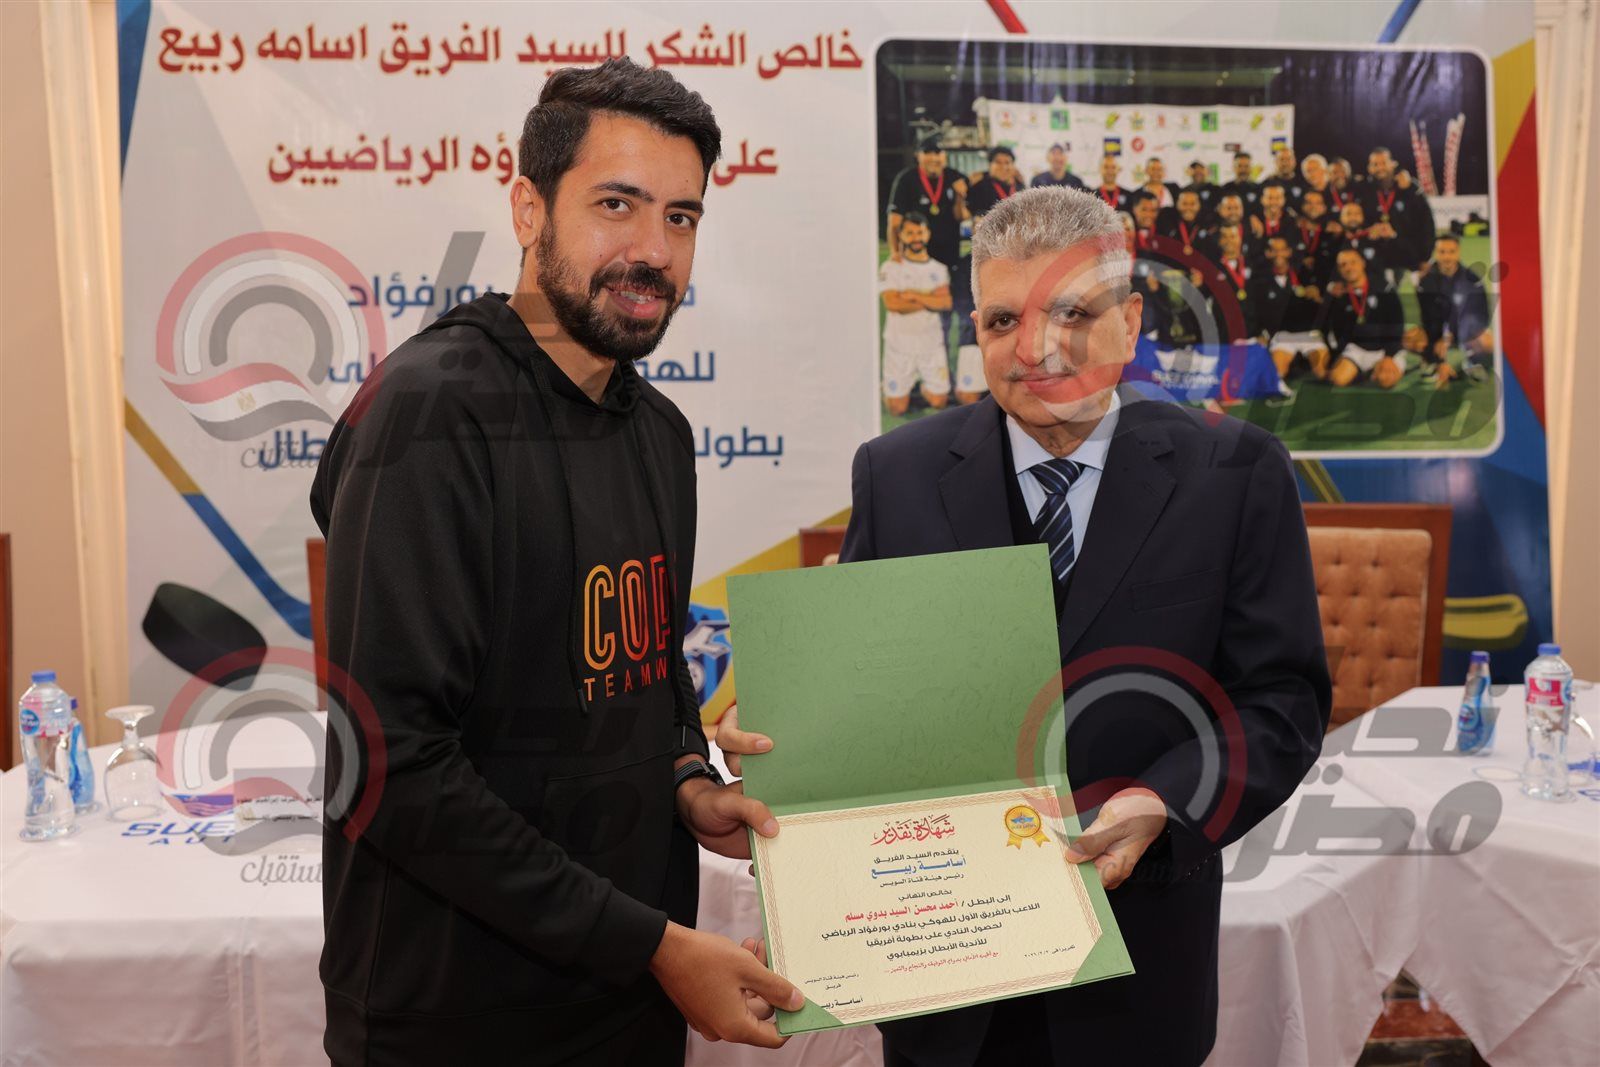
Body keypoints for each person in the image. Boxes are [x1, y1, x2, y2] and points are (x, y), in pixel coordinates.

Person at [310, 59, 804, 1066]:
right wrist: (655, 945)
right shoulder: (429, 416)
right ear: (528, 208)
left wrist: (686, 776)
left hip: (628, 1001)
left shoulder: (658, 433)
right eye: (616, 205)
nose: (652, 250)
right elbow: (392, 767)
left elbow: (648, 674)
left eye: (680, 217)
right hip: (457, 1021)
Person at [833, 185, 1330, 1066]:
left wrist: (1165, 801)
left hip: (1137, 969)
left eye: (1072, 312)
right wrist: (795, 731)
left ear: (1130, 323)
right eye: (1003, 320)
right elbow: (867, 700)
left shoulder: (1236, 473)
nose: (1037, 349)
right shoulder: (895, 475)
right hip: (945, 977)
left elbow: (1280, 701)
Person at [880, 213, 955, 413]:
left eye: (920, 233)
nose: (916, 238)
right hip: (899, 344)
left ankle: (917, 385)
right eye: (910, 233)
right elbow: (893, 304)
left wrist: (913, 295)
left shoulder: (939, 269)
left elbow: (945, 303)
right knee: (896, 408)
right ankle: (895, 387)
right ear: (901, 236)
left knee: (939, 401)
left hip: (930, 343)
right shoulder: (891, 267)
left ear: (927, 234)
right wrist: (931, 299)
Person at [1406, 233, 1494, 385]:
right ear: (1435, 253)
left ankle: (1470, 361)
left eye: (1451, 252)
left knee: (1488, 342)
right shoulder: (1425, 281)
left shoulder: (1472, 279)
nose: (1447, 257)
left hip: (1464, 331)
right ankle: (1434, 361)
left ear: (1458, 252)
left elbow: (1480, 316)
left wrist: (1449, 335)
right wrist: (1439, 338)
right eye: (1442, 252)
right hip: (1437, 332)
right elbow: (1428, 317)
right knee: (1411, 338)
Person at [1324, 246, 1407, 388]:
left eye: (1353, 262)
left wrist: (1389, 355)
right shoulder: (1339, 295)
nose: (1349, 268)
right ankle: (1367, 372)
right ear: (1339, 270)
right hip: (1358, 349)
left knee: (1386, 381)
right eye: (1343, 265)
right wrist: (1341, 354)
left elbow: (1397, 325)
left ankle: (1378, 369)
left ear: (1362, 263)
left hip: (1385, 350)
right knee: (1338, 379)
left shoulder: (1384, 288)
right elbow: (1337, 331)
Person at [1252, 234, 1329, 382]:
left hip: (1309, 334)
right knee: (1278, 374)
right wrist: (1262, 334)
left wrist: (1318, 298)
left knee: (1321, 372)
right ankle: (1292, 364)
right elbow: (1256, 312)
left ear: (1289, 252)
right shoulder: (1260, 280)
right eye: (1274, 250)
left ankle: (1301, 363)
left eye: (1282, 249)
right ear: (1268, 253)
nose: (1278, 254)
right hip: (1282, 336)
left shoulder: (1306, 273)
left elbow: (1324, 306)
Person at [1360, 147, 1435, 272]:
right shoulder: (1364, 190)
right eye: (1375, 164)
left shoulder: (1410, 187)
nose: (1380, 168)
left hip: (1410, 259)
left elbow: (1427, 223)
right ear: (1369, 168)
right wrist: (1369, 231)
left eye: (1383, 163)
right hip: (1377, 261)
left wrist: (1425, 257)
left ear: (1393, 164)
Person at [1294, 188, 1335, 284]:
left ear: (1325, 207)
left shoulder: (1333, 230)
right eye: (1308, 203)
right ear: (1302, 206)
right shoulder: (1292, 228)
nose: (1313, 207)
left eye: (1318, 203)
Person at [1159, 189, 1208, 258]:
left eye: (1192, 204)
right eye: (1184, 204)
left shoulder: (1206, 223)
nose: (1188, 208)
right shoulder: (1167, 219)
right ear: (1177, 204)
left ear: (1199, 205)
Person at [1220, 150, 1261, 215]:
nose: (1243, 170)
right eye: (1239, 166)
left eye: (1246, 166)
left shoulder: (1258, 188)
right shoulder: (1225, 188)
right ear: (1233, 168)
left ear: (1251, 168)